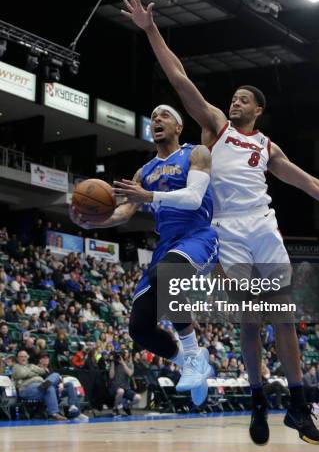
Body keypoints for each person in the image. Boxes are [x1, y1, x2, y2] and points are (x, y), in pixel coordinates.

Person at [122, 0, 319, 446]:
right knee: (251, 321)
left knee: (282, 317)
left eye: (243, 99)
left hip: (264, 227)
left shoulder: (267, 147)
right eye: (233, 98)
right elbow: (179, 77)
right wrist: (150, 29)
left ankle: (298, 404)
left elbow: (310, 183)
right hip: (226, 230)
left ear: (259, 109)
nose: (235, 103)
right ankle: (255, 399)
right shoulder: (215, 128)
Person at [70, 104, 219, 406]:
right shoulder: (144, 172)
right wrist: (93, 220)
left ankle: (192, 354)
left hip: (198, 235)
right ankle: (191, 363)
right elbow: (125, 212)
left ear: (178, 127)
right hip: (166, 246)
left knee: (167, 272)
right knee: (139, 328)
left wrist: (149, 196)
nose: (156, 121)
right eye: (152, 118)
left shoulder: (196, 153)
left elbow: (192, 199)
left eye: (164, 116)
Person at [108, 349, 140, 415]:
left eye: (126, 353)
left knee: (138, 398)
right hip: (115, 388)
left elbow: (130, 374)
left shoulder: (130, 364)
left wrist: (123, 363)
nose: (124, 354)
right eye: (123, 353)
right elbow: (111, 376)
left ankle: (126, 406)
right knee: (120, 391)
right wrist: (113, 362)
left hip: (126, 388)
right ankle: (115, 408)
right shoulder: (114, 363)